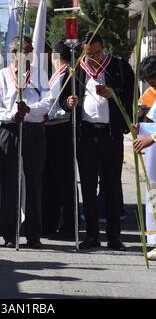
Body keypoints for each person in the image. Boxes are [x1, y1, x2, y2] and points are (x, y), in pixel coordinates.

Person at [60, 32, 134, 251]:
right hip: (86, 134)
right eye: (89, 53)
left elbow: (130, 96)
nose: (94, 58)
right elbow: (64, 98)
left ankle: (114, 237)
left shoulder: (119, 66)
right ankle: (92, 235)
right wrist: (69, 102)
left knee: (111, 185)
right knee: (89, 186)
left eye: (97, 52)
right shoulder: (77, 69)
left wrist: (114, 94)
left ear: (104, 47)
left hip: (110, 134)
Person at [0, 36, 51, 249]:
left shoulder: (39, 74)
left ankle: (34, 234)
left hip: (33, 130)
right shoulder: (1, 76)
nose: (27, 54)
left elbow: (47, 103)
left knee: (34, 183)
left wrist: (30, 110)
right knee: (10, 183)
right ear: (13, 52)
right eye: (23, 50)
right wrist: (11, 114)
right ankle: (10, 233)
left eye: (30, 50)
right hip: (10, 131)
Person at [42, 40, 76, 240]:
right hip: (49, 129)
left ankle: (69, 226)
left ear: (55, 56)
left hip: (61, 129)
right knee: (49, 180)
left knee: (63, 180)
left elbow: (64, 104)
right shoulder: (55, 74)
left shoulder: (68, 75)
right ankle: (49, 222)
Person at [134, 56, 156, 261]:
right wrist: (138, 127)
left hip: (153, 143)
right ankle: (154, 241)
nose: (150, 83)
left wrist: (152, 137)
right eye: (148, 79)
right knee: (153, 194)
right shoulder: (149, 94)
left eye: (153, 78)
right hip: (152, 154)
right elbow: (146, 119)